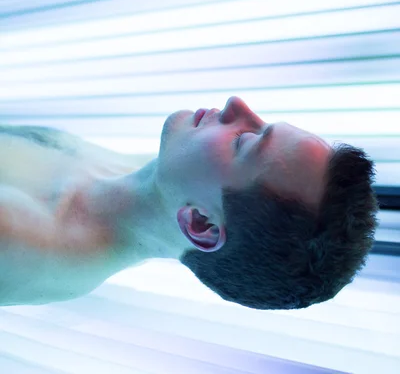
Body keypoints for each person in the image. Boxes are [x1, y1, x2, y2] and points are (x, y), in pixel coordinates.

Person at [0, 96, 379, 308]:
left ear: (200, 224)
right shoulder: (146, 180)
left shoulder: (24, 242)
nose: (237, 106)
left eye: (244, 142)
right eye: (263, 123)